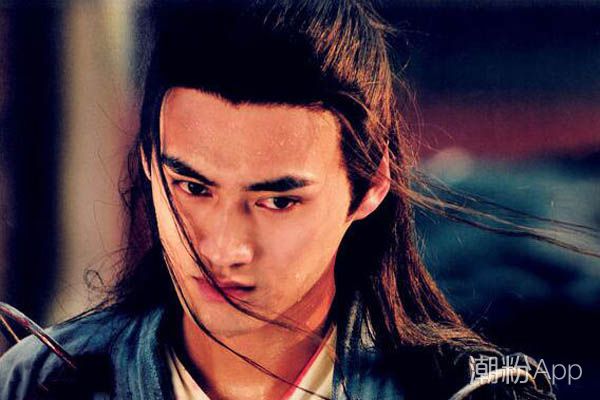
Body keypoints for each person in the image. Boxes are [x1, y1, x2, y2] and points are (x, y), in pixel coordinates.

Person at [0, 1, 557, 399]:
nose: (225, 248)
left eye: (278, 201)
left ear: (369, 186)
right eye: (193, 188)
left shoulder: (473, 393)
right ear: (148, 160)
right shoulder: (36, 383)